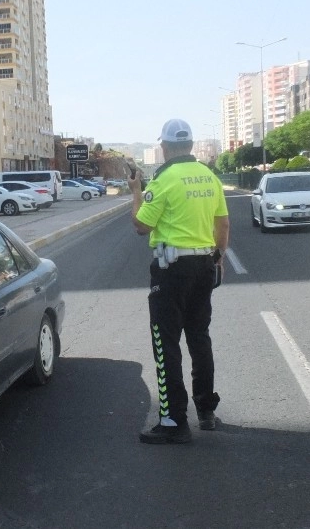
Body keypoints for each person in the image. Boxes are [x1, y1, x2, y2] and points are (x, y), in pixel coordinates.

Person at [127, 118, 230, 445]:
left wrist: (135, 194)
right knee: (199, 338)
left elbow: (141, 226)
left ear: (166, 146)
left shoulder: (165, 179)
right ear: (190, 145)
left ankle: (173, 422)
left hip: (172, 270)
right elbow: (223, 224)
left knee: (166, 342)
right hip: (203, 266)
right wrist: (219, 257)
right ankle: (206, 411)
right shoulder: (210, 177)